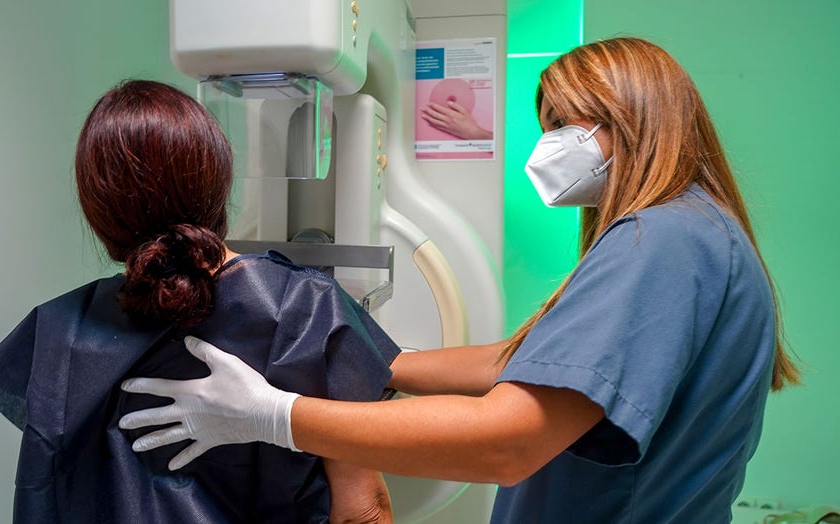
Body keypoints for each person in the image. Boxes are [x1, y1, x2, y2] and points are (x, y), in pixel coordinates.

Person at [117, 38, 802, 522]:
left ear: (632, 115)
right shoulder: (703, 235)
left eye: (565, 123)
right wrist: (382, 361)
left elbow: (506, 439)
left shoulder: (662, 241)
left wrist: (276, 417)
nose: (548, 145)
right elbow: (532, 366)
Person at [0, 80, 399, 523]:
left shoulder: (55, 332)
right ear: (216, 181)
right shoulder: (305, 308)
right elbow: (362, 511)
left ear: (97, 208)